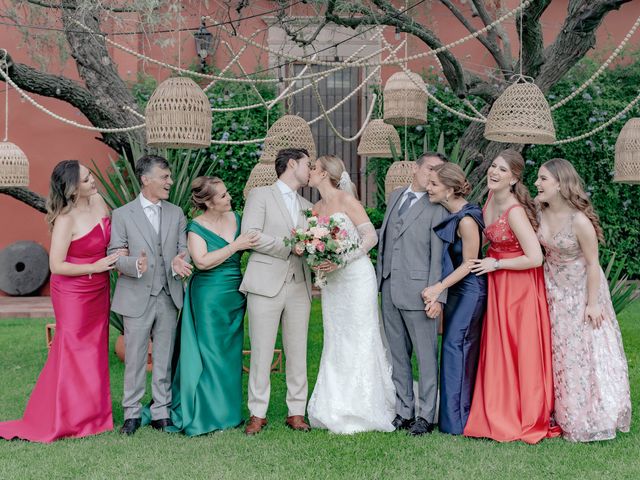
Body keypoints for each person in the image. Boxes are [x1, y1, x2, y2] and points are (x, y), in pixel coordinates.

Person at [0, 160, 121, 442]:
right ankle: (67, 415)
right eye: (87, 179)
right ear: (71, 188)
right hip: (73, 291)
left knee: (95, 348)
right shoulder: (65, 219)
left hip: (99, 286)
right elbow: (57, 265)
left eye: (91, 175)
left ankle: (95, 415)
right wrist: (96, 266)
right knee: (74, 348)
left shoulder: (100, 201)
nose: (93, 181)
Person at [464, 149, 559, 444]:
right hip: (498, 281)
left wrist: (497, 264)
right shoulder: (491, 198)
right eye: (493, 166)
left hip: (519, 285)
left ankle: (524, 414)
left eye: (502, 170)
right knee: (499, 346)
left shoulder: (515, 212)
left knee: (520, 347)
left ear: (514, 178)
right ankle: (497, 409)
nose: (494, 172)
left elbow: (535, 258)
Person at [535, 158, 631, 442]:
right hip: (552, 287)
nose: (537, 183)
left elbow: (592, 264)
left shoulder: (579, 220)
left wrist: (593, 303)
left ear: (560, 184)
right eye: (538, 178)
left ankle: (590, 412)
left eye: (543, 179)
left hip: (581, 289)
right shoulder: (539, 211)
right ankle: (557, 408)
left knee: (584, 349)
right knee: (560, 348)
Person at [306, 155, 395, 434]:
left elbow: (371, 237)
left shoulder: (346, 201)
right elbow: (315, 244)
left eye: (313, 168)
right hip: (334, 283)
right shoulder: (315, 208)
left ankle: (365, 405)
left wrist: (342, 259)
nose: (309, 172)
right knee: (336, 338)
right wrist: (316, 259)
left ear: (323, 174)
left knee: (360, 335)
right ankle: (333, 404)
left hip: (356, 277)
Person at [166, 177, 258, 436]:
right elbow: (202, 262)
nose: (229, 198)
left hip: (234, 294)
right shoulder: (196, 227)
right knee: (210, 354)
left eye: (227, 193)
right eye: (222, 196)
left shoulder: (238, 218)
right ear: (208, 202)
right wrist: (236, 246)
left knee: (230, 354)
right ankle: (205, 413)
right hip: (207, 296)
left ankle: (228, 412)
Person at [108, 154, 192, 436]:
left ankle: (161, 412)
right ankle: (131, 414)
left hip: (168, 295)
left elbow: (183, 249)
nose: (170, 181)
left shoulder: (176, 213)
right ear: (146, 180)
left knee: (164, 357)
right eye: (164, 177)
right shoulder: (122, 215)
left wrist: (181, 262)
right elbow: (114, 255)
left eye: (169, 177)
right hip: (136, 296)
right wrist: (134, 264)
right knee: (134, 357)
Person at [240, 148, 314, 435]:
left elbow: (310, 245)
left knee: (298, 351)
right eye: (308, 164)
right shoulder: (260, 195)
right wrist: (289, 246)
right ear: (292, 164)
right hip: (265, 284)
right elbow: (251, 234)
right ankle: (257, 413)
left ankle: (296, 411)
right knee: (261, 351)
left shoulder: (308, 205)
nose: (310, 170)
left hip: (299, 285)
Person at [376, 152, 448, 436]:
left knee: (426, 355)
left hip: (420, 291)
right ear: (415, 168)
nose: (433, 175)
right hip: (389, 286)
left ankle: (426, 415)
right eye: (430, 168)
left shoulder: (437, 207)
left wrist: (436, 297)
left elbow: (437, 256)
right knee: (398, 355)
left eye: (439, 171)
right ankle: (404, 411)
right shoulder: (395, 196)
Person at [422, 163, 486, 435]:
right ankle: (451, 419)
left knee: (456, 349)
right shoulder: (450, 213)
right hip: (456, 290)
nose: (428, 188)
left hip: (470, 292)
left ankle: (458, 422)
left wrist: (438, 288)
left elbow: (469, 263)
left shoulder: (467, 220)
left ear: (449, 189)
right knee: (451, 349)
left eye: (434, 184)